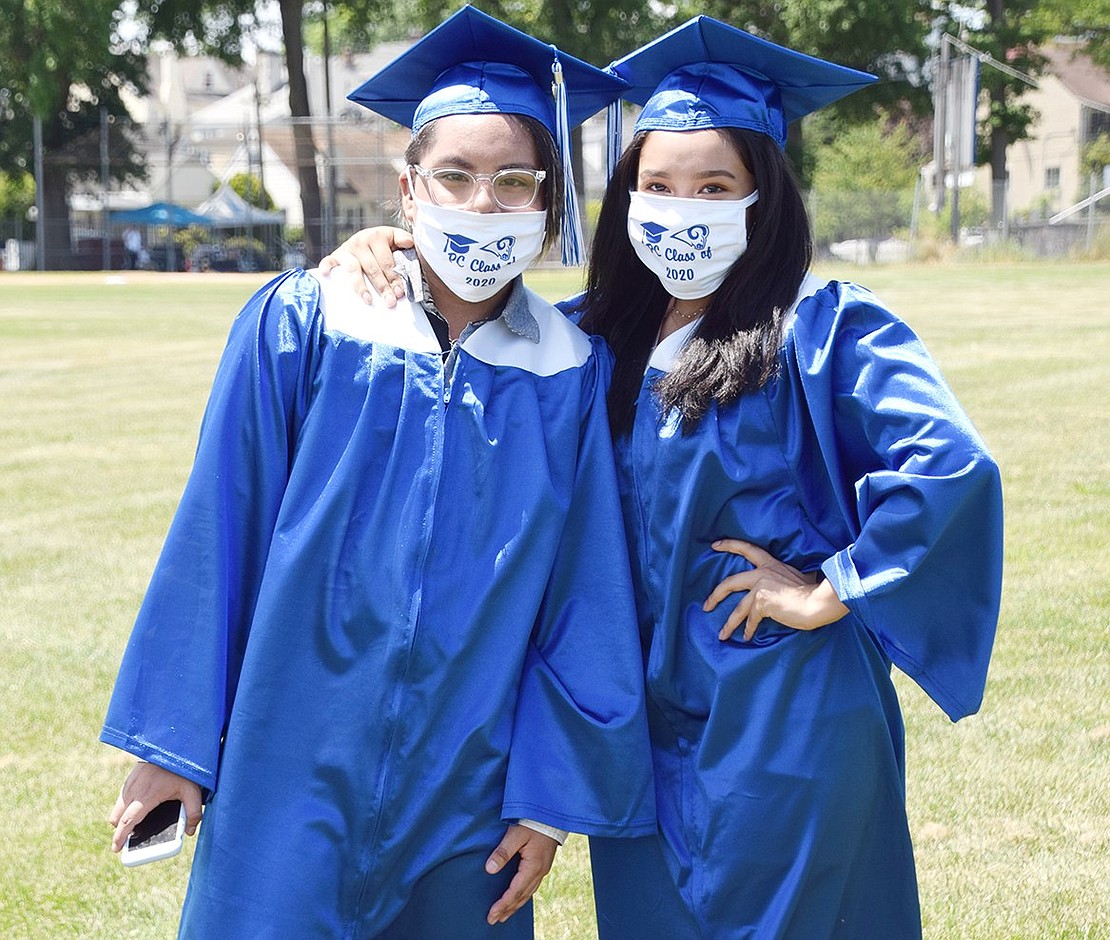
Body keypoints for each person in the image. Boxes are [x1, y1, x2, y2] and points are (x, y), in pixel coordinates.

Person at [321, 15, 1005, 939]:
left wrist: (831, 590)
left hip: (780, 719)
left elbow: (950, 465)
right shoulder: (592, 343)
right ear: (627, 198)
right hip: (637, 736)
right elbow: (465, 344)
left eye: (714, 185)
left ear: (761, 200)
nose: (683, 205)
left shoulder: (819, 328)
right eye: (658, 184)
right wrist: (384, 249)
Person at [100, 7, 655, 938]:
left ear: (548, 203)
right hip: (286, 769)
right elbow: (218, 529)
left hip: (466, 800)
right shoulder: (307, 323)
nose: (483, 203)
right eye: (455, 177)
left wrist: (547, 800)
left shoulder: (569, 369)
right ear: (408, 191)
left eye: (514, 181)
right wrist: (175, 744)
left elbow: (584, 597)